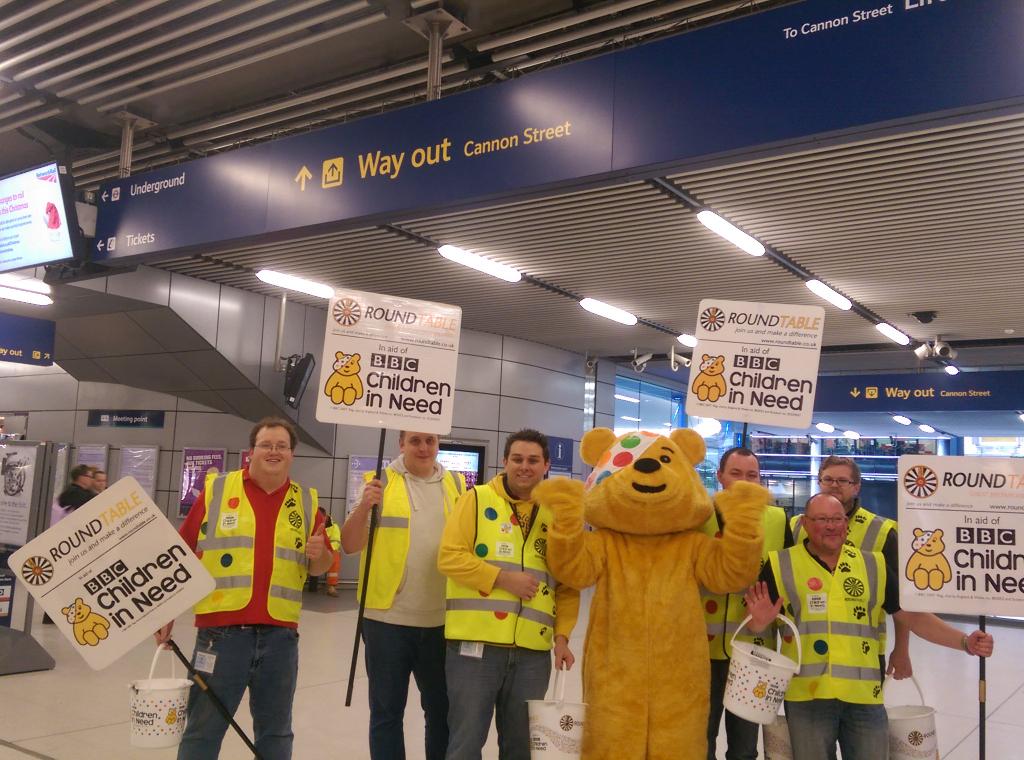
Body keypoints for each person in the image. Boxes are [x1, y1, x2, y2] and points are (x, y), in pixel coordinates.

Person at [746, 493, 994, 760]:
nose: (831, 526)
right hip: (807, 697)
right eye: (821, 519)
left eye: (837, 519)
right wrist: (758, 624)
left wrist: (964, 641)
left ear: (846, 524)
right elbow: (758, 626)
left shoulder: (873, 564)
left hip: (864, 696)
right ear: (805, 523)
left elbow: (914, 617)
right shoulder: (780, 564)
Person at [154, 416, 331, 760]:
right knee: (203, 730)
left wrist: (321, 553)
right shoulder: (219, 490)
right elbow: (183, 551)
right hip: (221, 638)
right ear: (251, 451)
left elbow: (319, 566)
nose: (274, 451)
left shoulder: (307, 502)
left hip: (281, 639)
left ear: (292, 454)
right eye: (266, 444)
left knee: (276, 732)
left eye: (282, 446)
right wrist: (166, 611)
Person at [438, 428, 578, 760]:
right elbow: (449, 557)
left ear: (546, 465)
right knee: (465, 745)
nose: (524, 467)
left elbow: (568, 585)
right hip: (475, 649)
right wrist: (501, 578)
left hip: (532, 654)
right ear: (504, 461)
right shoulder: (476, 499)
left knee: (520, 749)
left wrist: (562, 637)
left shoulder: (556, 516)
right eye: (517, 459)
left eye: (533, 460)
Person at [342, 431, 466, 760]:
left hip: (443, 621)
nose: (423, 448)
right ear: (401, 444)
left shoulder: (457, 485)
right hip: (386, 621)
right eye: (414, 441)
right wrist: (364, 507)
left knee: (442, 714)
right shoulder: (378, 483)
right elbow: (350, 545)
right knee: (386, 715)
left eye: (430, 441)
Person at [701, 447, 792, 760]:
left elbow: (787, 579)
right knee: (700, 739)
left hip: (755, 650)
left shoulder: (778, 519)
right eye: (735, 473)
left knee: (744, 747)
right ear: (720, 476)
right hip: (701, 650)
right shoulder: (699, 515)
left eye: (751, 475)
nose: (743, 481)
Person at [792, 455, 913, 679]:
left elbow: (901, 601)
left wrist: (902, 649)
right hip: (806, 648)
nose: (834, 485)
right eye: (828, 479)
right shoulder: (797, 526)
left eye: (842, 481)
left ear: (856, 487)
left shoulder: (883, 531)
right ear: (819, 483)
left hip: (862, 652)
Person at [322, 508, 341, 597]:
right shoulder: (312, 523)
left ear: (326, 516)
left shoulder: (334, 527)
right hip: (315, 549)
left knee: (335, 557)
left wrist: (327, 551)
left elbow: (336, 541)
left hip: (329, 550)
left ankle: (331, 588)